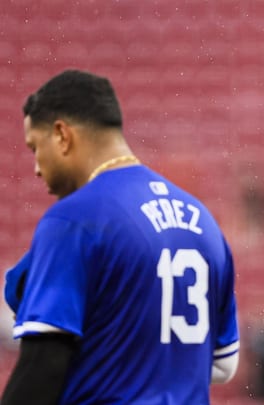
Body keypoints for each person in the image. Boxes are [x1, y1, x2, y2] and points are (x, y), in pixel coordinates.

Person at [1, 69, 239, 404]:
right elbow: (224, 364)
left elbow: (44, 363)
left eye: (35, 147)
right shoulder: (205, 221)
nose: (37, 168)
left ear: (61, 135)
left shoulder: (73, 219)